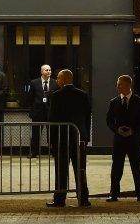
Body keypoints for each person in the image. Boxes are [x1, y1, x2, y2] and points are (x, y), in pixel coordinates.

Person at [46, 69, 91, 208]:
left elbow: (52, 120)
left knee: (61, 170)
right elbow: (87, 116)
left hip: (62, 139)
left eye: (58, 78)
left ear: (64, 79)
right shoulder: (83, 95)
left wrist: (51, 140)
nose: (57, 80)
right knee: (81, 170)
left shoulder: (56, 95)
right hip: (79, 139)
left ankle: (60, 199)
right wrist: (86, 137)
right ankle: (83, 199)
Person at [106, 74, 140, 202]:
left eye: (119, 84)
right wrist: (116, 129)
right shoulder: (114, 102)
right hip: (119, 140)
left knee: (137, 167)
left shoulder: (139, 101)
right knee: (116, 167)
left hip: (133, 139)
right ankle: (113, 194)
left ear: (128, 85)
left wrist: (133, 130)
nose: (117, 86)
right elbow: (108, 120)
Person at [28, 64, 57, 158]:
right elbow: (30, 98)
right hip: (38, 113)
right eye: (46, 70)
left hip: (51, 113)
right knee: (36, 133)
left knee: (52, 133)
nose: (48, 72)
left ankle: (54, 151)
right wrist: (32, 111)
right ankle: (34, 152)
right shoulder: (34, 82)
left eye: (50, 70)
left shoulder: (55, 83)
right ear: (41, 72)